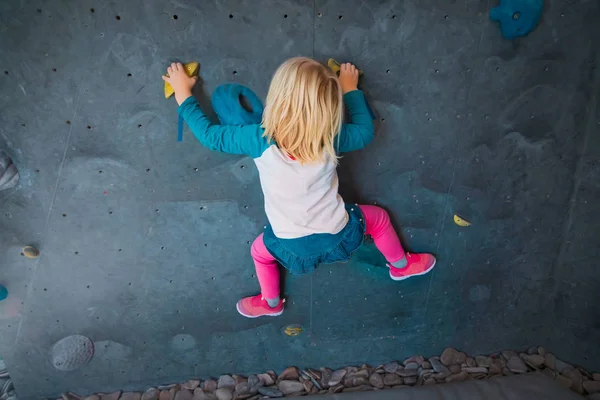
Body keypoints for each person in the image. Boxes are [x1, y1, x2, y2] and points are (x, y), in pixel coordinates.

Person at [162, 57, 436, 318]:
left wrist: (183, 94)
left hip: (289, 247)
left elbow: (210, 136)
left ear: (276, 100)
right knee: (378, 218)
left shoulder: (258, 138)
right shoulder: (331, 138)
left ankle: (270, 303)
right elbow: (364, 131)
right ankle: (401, 266)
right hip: (341, 235)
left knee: (259, 252)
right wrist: (351, 89)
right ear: (330, 108)